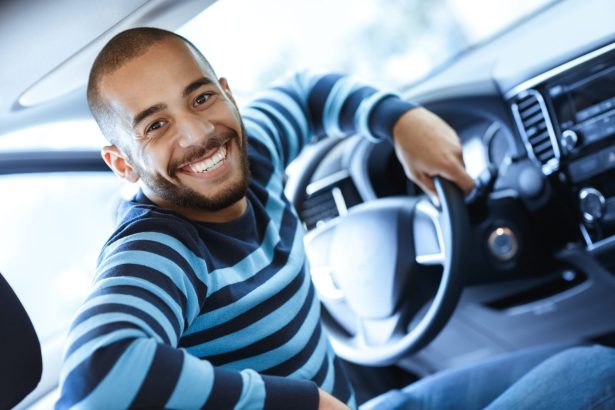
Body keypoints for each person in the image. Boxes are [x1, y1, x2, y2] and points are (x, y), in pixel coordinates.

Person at [56, 27, 615, 410]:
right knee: (595, 378)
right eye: (155, 126)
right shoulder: (159, 249)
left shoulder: (251, 152)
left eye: (201, 98)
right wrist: (302, 405)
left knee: (592, 363)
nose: (197, 134)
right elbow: (96, 376)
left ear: (226, 93)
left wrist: (403, 123)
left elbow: (306, 93)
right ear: (121, 163)